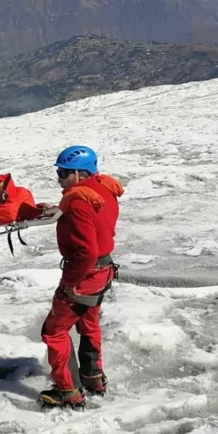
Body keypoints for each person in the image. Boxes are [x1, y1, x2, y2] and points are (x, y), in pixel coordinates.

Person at [38, 145, 124, 408]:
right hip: (104, 271)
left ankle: (67, 391)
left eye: (64, 173)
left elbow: (86, 252)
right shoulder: (102, 188)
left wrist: (70, 284)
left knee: (54, 331)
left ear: (79, 173)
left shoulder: (77, 201)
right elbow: (93, 218)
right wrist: (59, 209)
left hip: (85, 275)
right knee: (88, 324)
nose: (60, 179)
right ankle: (93, 377)